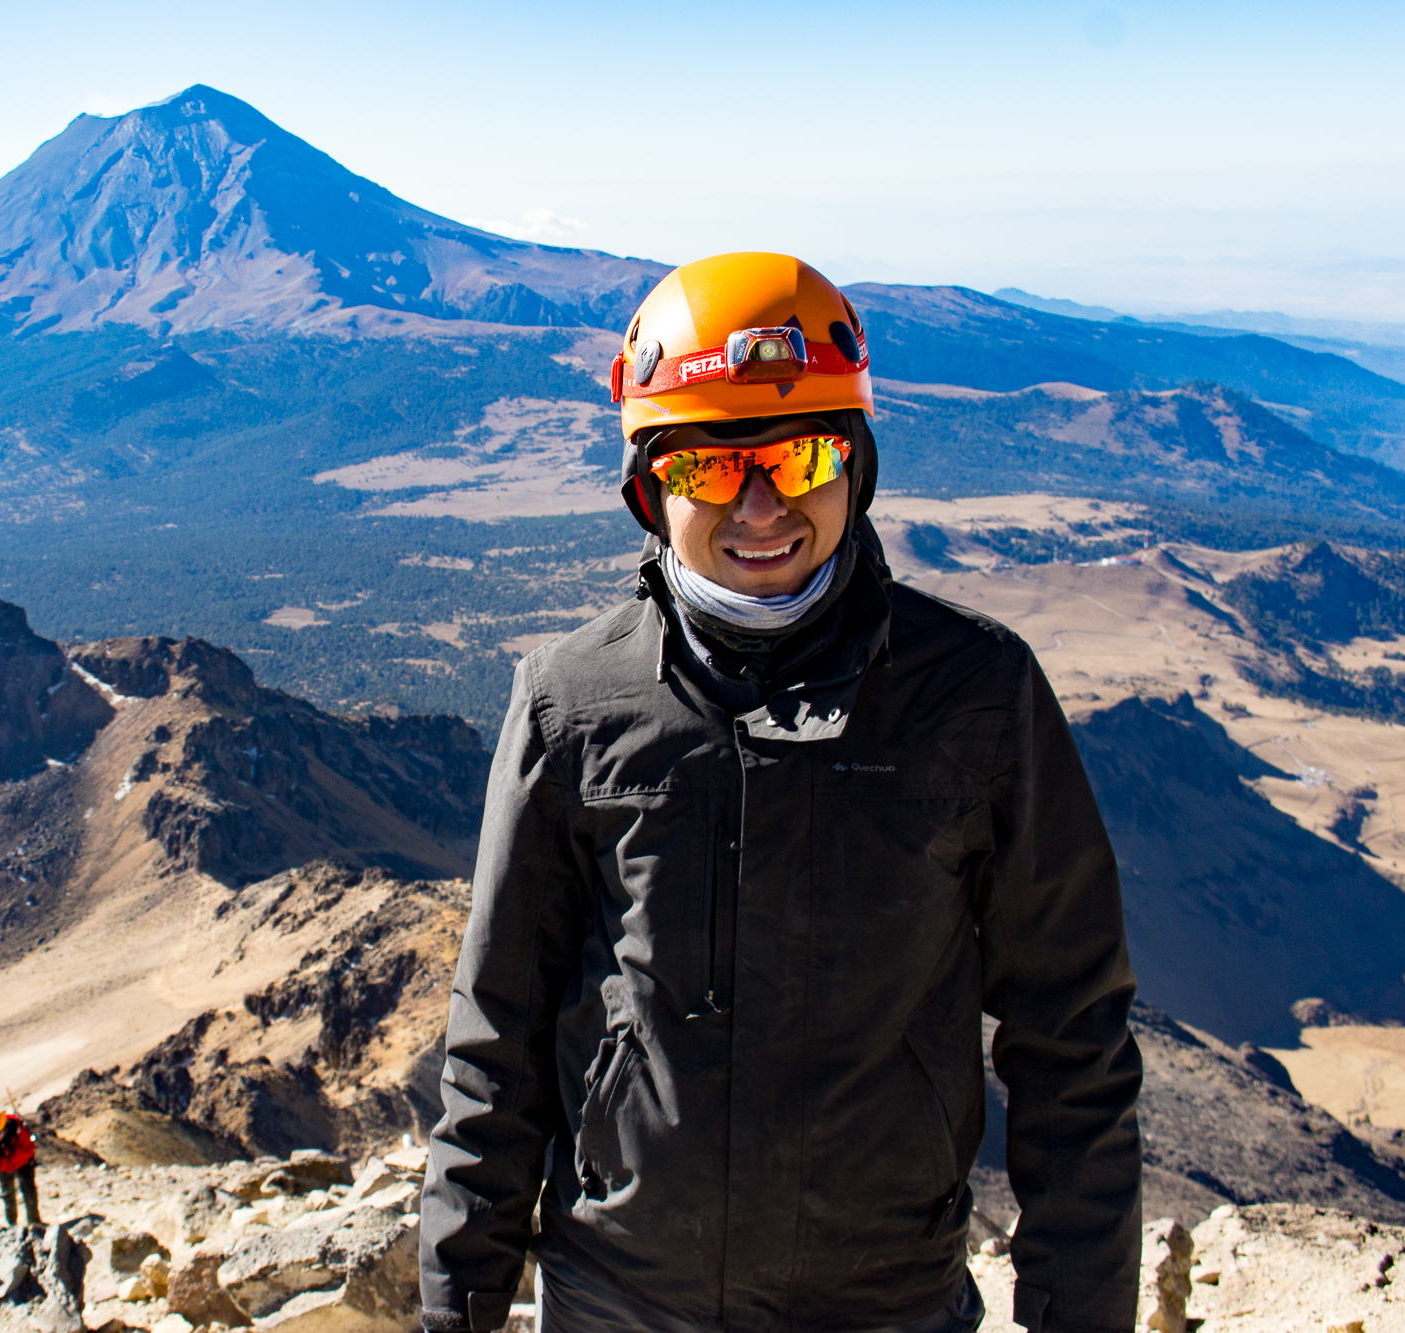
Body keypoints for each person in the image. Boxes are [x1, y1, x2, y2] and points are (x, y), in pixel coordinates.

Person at [419, 253, 1140, 1333]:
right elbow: (498, 1037)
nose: (759, 506)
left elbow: (1071, 1032)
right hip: (621, 1300)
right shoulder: (570, 703)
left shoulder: (979, 695)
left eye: (800, 456)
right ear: (649, 489)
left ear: (855, 465)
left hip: (887, 1305)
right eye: (708, 468)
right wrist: (458, 1310)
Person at [0, 1110, 42, 1229]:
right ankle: (12, 1225)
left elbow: (29, 1150)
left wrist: (12, 1152)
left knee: (29, 1192)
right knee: (8, 1196)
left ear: (5, 1128)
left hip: (22, 1165)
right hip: (3, 1168)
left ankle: (35, 1223)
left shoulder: (17, 1130)